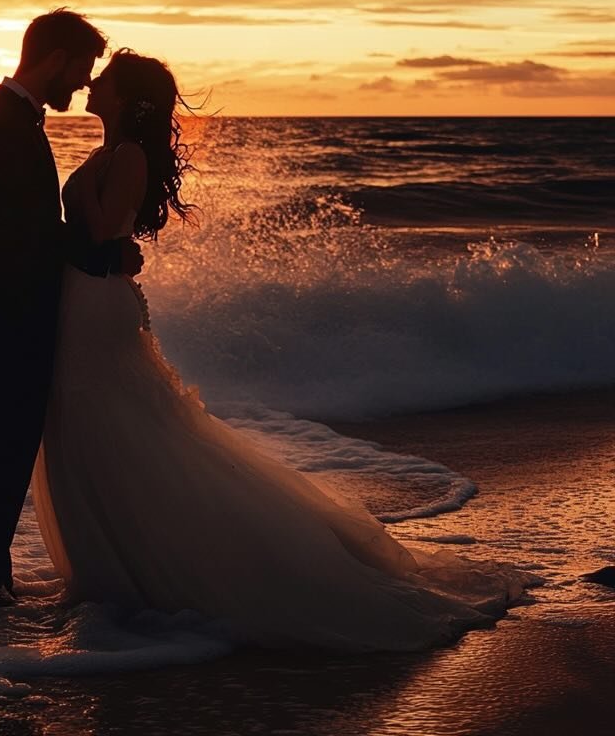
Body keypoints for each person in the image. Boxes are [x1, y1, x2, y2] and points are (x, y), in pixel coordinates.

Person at [31, 49, 528, 651]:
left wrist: (56, 223)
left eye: (104, 80)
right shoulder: (110, 152)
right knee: (98, 428)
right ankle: (116, 568)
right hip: (83, 298)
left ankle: (158, 569)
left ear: (126, 97)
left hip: (98, 305)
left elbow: (109, 228)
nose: (93, 82)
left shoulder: (129, 155)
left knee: (116, 427)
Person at [0, 9, 139, 610]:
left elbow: (31, 229)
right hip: (7, 312)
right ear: (55, 58)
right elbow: (28, 233)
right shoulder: (1, 126)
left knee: (5, 450)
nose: (83, 83)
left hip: (8, 309)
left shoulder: (10, 120)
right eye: (81, 68)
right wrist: (103, 256)